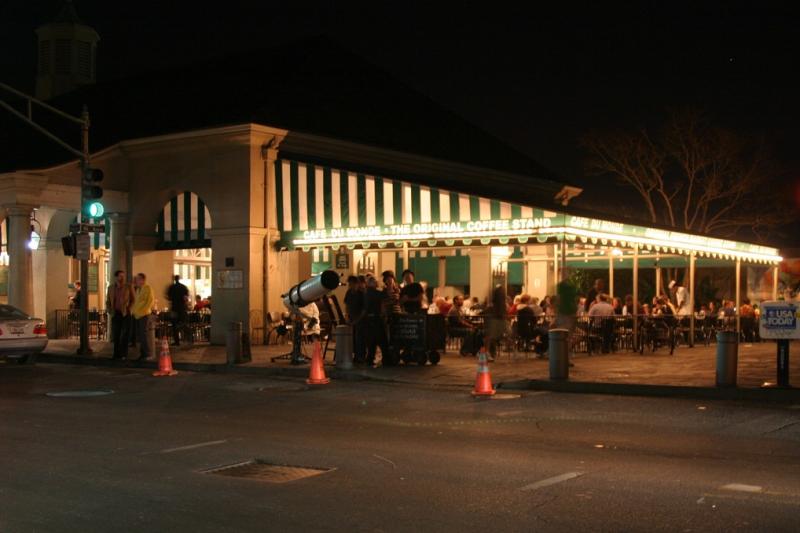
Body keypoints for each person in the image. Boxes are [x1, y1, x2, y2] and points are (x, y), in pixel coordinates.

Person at [106, 270, 135, 360]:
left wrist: (129, 309)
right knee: (116, 334)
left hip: (125, 313)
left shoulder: (128, 287)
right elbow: (108, 301)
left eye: (123, 276)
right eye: (120, 276)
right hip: (116, 313)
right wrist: (110, 310)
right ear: (116, 277)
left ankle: (124, 354)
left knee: (125, 334)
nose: (122, 278)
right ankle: (116, 354)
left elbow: (133, 300)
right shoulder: (111, 288)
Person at [363, 275, 389, 366]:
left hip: (369, 319)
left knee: (371, 342)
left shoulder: (366, 293)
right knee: (382, 340)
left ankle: (370, 359)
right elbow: (384, 295)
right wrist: (385, 287)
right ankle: (386, 360)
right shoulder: (373, 292)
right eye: (373, 281)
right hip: (376, 319)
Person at [131, 273, 155, 362]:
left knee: (143, 334)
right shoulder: (138, 290)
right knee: (140, 335)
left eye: (137, 279)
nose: (135, 281)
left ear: (142, 280)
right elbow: (136, 302)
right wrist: (133, 311)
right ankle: (143, 353)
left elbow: (150, 301)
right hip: (137, 314)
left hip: (143, 314)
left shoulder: (147, 288)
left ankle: (146, 353)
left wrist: (143, 311)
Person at [344, 275, 366, 364]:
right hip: (351, 317)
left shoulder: (361, 294)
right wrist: (347, 316)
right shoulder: (349, 293)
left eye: (353, 284)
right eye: (350, 284)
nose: (351, 286)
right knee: (352, 338)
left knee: (359, 338)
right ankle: (355, 356)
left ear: (357, 284)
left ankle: (360, 356)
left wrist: (357, 320)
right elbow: (347, 305)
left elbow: (364, 309)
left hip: (360, 319)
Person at [167, 275, 191, 345]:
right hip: (182, 308)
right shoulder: (183, 287)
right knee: (184, 323)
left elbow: (168, 297)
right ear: (179, 279)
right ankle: (189, 339)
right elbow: (186, 298)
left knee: (174, 325)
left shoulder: (171, 287)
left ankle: (177, 341)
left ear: (174, 279)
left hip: (174, 308)